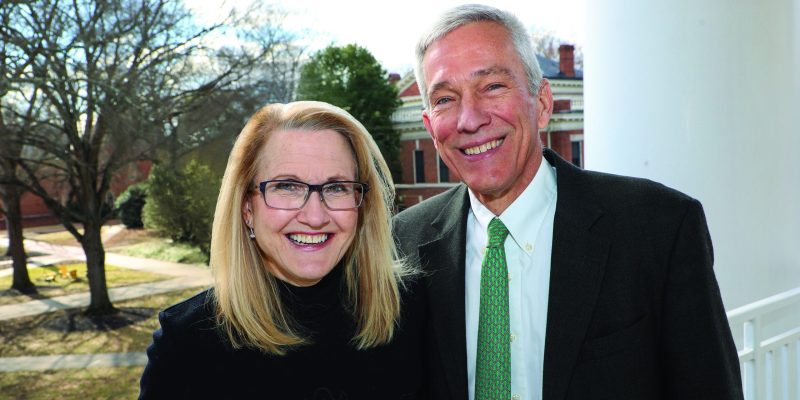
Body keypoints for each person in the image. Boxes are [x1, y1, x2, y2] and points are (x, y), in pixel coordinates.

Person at [393, 4, 743, 400]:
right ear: (430, 127)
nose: (469, 119)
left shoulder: (658, 228)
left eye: (492, 87)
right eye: (445, 99)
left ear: (542, 103)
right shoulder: (403, 243)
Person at [139, 101, 426, 399]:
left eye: (337, 188)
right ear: (247, 208)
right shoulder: (187, 343)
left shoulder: (412, 310)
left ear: (362, 204)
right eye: (287, 186)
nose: (315, 216)